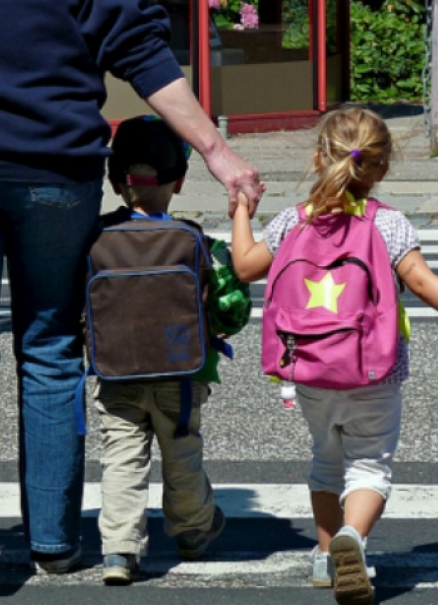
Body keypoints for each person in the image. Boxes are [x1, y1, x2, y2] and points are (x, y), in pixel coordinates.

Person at [0, 1, 263, 602]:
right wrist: (213, 149)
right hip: (50, 161)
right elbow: (138, 47)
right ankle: (52, 541)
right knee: (49, 340)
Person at [230, 105, 438, 605]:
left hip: (309, 372)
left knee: (326, 460)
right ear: (381, 167)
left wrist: (240, 210)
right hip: (374, 374)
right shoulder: (389, 226)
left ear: (319, 158)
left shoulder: (291, 222)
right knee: (369, 467)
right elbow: (424, 284)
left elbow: (243, 267)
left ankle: (326, 559)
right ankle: (353, 539)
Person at [93, 116, 251, 585]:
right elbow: (231, 309)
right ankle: (193, 530)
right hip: (181, 376)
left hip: (115, 370)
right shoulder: (194, 240)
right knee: (181, 452)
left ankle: (119, 549)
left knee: (122, 456)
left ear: (114, 179)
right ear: (178, 182)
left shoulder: (95, 238)